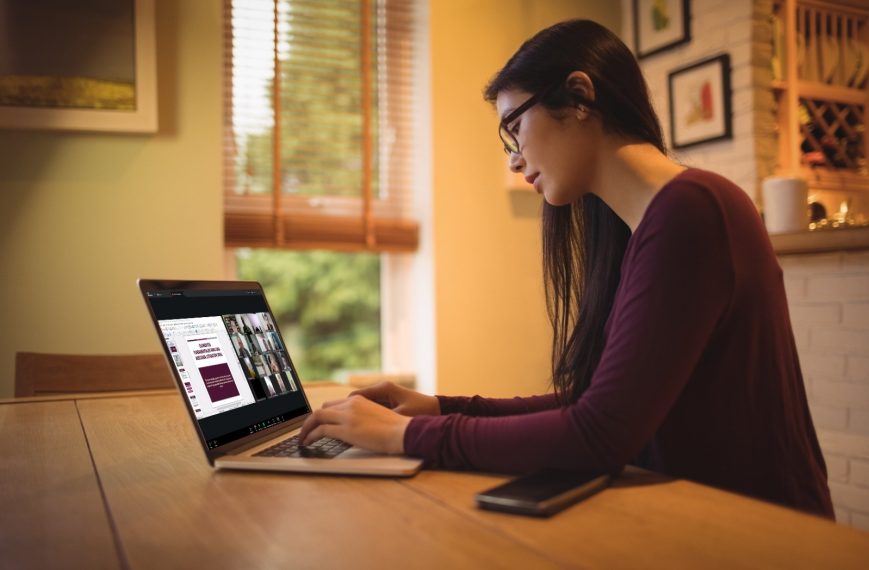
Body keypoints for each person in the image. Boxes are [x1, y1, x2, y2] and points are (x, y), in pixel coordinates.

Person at [299, 19, 833, 518]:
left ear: (579, 97)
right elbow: (597, 402)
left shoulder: (692, 210)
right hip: (699, 519)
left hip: (761, 533)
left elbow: (597, 435)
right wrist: (437, 407)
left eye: (514, 127)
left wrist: (400, 437)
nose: (512, 158)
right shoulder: (649, 224)